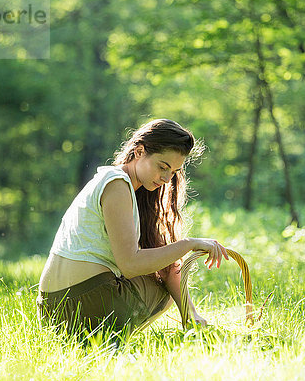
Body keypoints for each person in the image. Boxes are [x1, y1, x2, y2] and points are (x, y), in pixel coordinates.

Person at [36, 119, 229, 343]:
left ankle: (189, 319)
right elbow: (130, 264)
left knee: (162, 264)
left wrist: (190, 313)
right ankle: (111, 338)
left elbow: (161, 263)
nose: (167, 179)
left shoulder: (120, 184)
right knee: (163, 285)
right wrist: (189, 244)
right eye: (162, 167)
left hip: (52, 310)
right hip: (83, 304)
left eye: (174, 172)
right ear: (139, 151)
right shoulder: (117, 183)